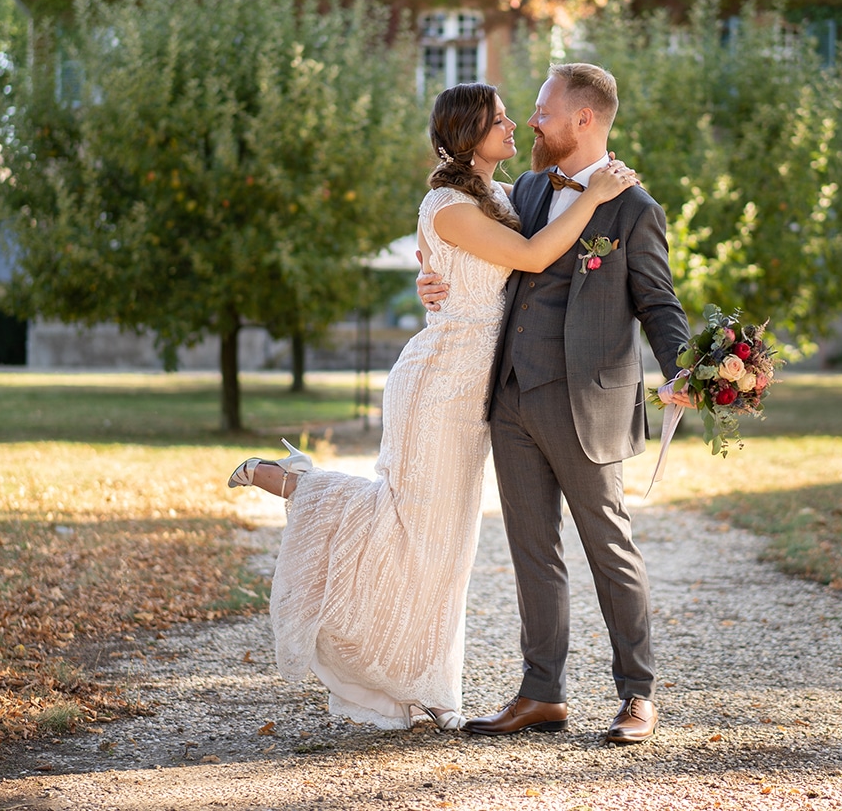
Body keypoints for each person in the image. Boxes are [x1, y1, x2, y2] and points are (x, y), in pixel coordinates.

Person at [227, 82, 640, 731]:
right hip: (438, 385)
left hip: (477, 391)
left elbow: (520, 259)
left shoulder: (503, 195)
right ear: (468, 135)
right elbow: (533, 253)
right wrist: (596, 195)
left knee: (445, 551)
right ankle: (300, 484)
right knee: (408, 528)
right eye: (500, 120)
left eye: (512, 116)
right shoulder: (447, 205)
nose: (514, 126)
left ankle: (417, 685)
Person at [417, 62, 690, 745]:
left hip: (587, 402)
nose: (532, 121)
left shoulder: (634, 209)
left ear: (584, 120)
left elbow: (659, 303)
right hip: (510, 395)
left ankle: (638, 695)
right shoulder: (527, 192)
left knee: (609, 550)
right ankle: (541, 693)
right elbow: (463, 236)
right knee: (532, 551)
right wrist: (429, 273)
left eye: (542, 110)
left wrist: (683, 369)